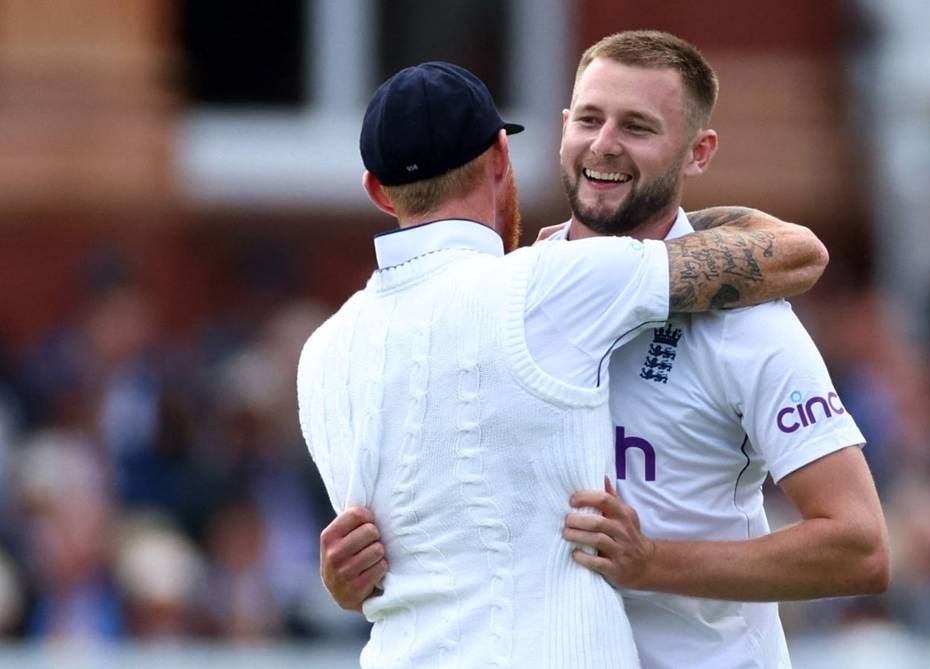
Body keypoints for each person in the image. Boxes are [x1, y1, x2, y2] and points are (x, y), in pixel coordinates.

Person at [297, 60, 828, 669]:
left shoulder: (321, 353)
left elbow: (402, 540)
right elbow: (797, 253)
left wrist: (346, 588)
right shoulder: (547, 285)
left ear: (374, 188)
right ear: (502, 157)